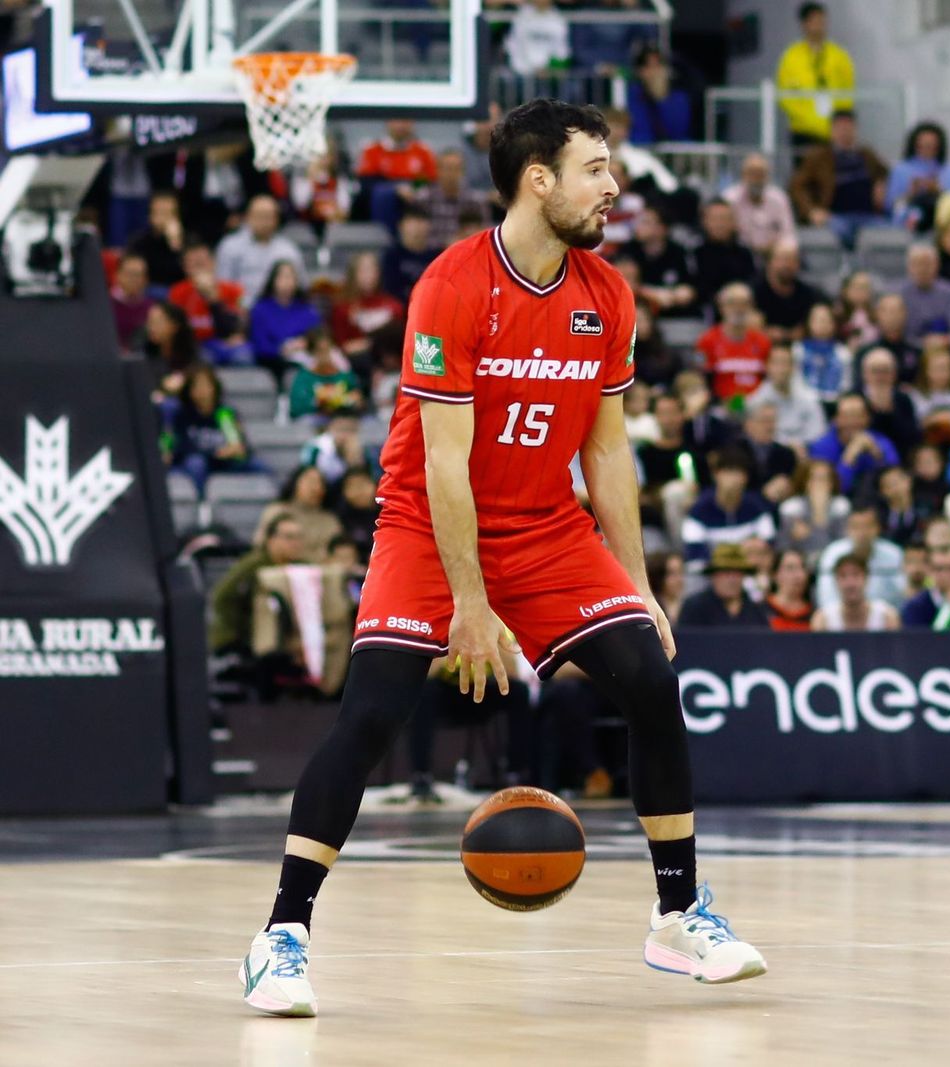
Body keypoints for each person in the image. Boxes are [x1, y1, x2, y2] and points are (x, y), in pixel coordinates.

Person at [238, 101, 766, 1019]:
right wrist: (471, 606)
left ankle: (678, 914)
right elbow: (443, 462)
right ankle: (282, 933)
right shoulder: (452, 284)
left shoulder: (607, 294)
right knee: (372, 715)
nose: (614, 186)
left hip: (548, 529)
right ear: (539, 179)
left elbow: (607, 453)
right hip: (430, 526)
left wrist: (637, 581)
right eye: (596, 168)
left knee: (648, 672)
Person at [788, 110, 889, 248]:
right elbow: (797, 186)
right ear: (832, 130)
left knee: (889, 233)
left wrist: (880, 184)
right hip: (836, 216)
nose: (844, 132)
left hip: (868, 216)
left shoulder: (866, 154)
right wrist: (811, 211)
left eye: (848, 128)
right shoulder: (819, 156)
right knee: (843, 233)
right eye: (840, 128)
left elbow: (884, 173)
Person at [208, 514, 307, 654]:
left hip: (287, 640)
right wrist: (246, 630)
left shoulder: (303, 568)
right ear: (271, 540)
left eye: (299, 537)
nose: (296, 543)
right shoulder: (253, 566)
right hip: (245, 642)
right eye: (289, 537)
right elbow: (222, 597)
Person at [680, 448, 777, 573]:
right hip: (712, 577)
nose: (733, 479)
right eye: (728, 472)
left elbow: (769, 547)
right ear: (716, 475)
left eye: (738, 473)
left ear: (746, 477)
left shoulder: (757, 508)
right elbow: (695, 558)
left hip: (750, 573)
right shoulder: (699, 511)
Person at [165, 365, 260, 491]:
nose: (202, 391)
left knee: (257, 465)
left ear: (214, 387)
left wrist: (238, 449)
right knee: (196, 463)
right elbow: (180, 447)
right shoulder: (182, 415)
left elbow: (240, 444)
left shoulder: (225, 414)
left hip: (225, 463)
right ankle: (200, 503)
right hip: (197, 462)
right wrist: (215, 452)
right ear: (189, 391)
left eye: (206, 385)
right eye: (197, 386)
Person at [775, 2, 856, 147]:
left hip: (833, 131)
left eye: (822, 21)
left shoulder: (839, 55)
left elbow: (848, 90)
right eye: (815, 21)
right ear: (804, 24)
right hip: (803, 130)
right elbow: (785, 96)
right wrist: (807, 119)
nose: (820, 26)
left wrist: (840, 122)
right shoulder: (791, 57)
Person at [216, 195, 307, 306]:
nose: (264, 221)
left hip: (278, 311)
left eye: (269, 216)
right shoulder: (230, 246)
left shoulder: (288, 250)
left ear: (276, 220)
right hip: (241, 311)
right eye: (259, 216)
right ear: (248, 217)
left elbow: (301, 286)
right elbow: (222, 285)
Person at [808, 392, 900, 498]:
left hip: (875, 503)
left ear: (868, 418)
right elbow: (835, 490)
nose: (852, 422)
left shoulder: (880, 441)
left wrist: (876, 453)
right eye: (846, 416)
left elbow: (895, 480)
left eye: (858, 416)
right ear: (836, 419)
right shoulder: (821, 447)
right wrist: (850, 456)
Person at [813, 504, 905, 610]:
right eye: (856, 527)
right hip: (841, 619)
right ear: (847, 529)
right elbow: (826, 601)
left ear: (878, 528)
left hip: (884, 620)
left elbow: (901, 597)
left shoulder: (894, 555)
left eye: (868, 526)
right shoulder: (832, 554)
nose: (862, 533)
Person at [168, 243, 249, 359]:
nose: (200, 268)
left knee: (243, 356)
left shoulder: (234, 290)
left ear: (213, 263)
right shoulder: (177, 292)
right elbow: (176, 329)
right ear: (185, 268)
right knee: (204, 357)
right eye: (195, 264)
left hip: (226, 343)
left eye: (203, 262)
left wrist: (213, 298)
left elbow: (235, 329)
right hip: (195, 345)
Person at [696, 283, 772, 401]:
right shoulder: (707, 340)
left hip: (758, 406)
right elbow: (701, 379)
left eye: (744, 304)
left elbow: (770, 378)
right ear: (721, 307)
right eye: (732, 303)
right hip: (722, 406)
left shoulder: (763, 341)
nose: (738, 309)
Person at [330, 251, 406, 366]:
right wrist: (372, 343)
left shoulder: (394, 306)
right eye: (363, 271)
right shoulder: (342, 308)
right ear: (353, 274)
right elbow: (342, 347)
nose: (369, 275)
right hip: (356, 365)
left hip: (393, 365)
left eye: (372, 270)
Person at [747, 344, 827, 447]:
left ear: (793, 367)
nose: (781, 369)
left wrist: (800, 445)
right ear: (767, 367)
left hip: (805, 449)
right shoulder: (757, 398)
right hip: (772, 450)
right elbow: (755, 430)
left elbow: (818, 430)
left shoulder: (808, 397)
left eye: (786, 363)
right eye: (776, 363)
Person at [754, 237, 828, 344]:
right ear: (770, 262)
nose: (787, 265)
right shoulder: (755, 291)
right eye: (782, 259)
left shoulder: (808, 294)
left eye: (793, 260)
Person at [678, 543, 772, 627]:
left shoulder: (756, 609)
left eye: (737, 573)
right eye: (726, 572)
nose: (732, 580)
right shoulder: (694, 608)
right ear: (713, 575)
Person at [723, 152, 796, 258]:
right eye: (752, 174)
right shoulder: (729, 199)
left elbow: (788, 233)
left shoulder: (779, 198)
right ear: (743, 175)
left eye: (761, 174)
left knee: (789, 251)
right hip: (739, 253)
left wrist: (779, 248)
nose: (756, 179)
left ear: (768, 176)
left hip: (773, 253)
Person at [898, 243, 950, 351]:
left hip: (947, 349)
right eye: (918, 264)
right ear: (909, 267)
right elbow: (900, 333)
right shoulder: (900, 295)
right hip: (910, 350)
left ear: (937, 265)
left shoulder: (949, 292)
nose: (923, 269)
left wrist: (948, 340)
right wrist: (923, 343)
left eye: (927, 264)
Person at [888, 122, 950, 229]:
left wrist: (938, 191)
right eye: (923, 144)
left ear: (939, 146)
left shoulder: (949, 170)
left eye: (931, 145)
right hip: (907, 223)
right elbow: (889, 205)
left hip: (941, 224)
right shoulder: (901, 169)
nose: (927, 148)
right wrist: (911, 193)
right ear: (915, 145)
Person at [778, 457, 850, 559]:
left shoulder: (840, 506)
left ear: (832, 483)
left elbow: (843, 544)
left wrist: (820, 514)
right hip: (800, 564)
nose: (819, 484)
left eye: (824, 479)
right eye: (814, 479)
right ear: (805, 482)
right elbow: (781, 548)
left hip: (833, 563)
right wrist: (793, 538)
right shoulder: (791, 508)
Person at [693, 199, 759, 310]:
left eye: (724, 219)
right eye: (714, 219)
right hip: (706, 311)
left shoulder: (744, 253)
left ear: (734, 222)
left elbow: (752, 284)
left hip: (741, 308)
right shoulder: (695, 253)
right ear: (704, 222)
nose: (720, 224)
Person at [811, 553, 900, 631]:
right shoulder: (823, 619)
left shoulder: (886, 616)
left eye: (856, 575)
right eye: (843, 576)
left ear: (866, 578)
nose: (850, 583)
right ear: (836, 581)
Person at [627, 45, 694, 145]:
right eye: (648, 66)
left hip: (673, 154)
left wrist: (661, 99)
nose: (654, 72)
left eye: (658, 66)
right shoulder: (630, 96)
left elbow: (677, 132)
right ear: (639, 72)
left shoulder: (679, 98)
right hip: (640, 152)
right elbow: (633, 132)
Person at [125, 190, 187, 286]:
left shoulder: (188, 240)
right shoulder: (139, 241)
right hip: (147, 292)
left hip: (178, 292)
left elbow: (186, 274)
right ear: (150, 216)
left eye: (168, 213)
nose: (163, 218)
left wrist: (175, 243)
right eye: (159, 213)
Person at [382, 210, 442, 304]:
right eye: (412, 221)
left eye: (421, 221)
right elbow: (391, 290)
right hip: (400, 311)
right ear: (401, 226)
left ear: (429, 226)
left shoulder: (438, 257)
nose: (417, 227)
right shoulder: (392, 256)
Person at [109, 254, 154, 353]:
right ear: (117, 275)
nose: (133, 279)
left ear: (146, 279)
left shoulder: (152, 308)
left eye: (138, 275)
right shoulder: (106, 305)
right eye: (129, 274)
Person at [766, 548, 815, 631]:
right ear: (774, 575)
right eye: (790, 568)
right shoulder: (760, 612)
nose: (799, 575)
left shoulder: (815, 615)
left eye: (802, 568)